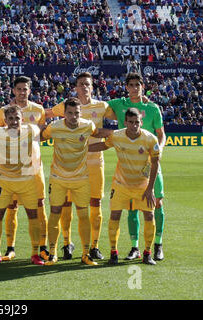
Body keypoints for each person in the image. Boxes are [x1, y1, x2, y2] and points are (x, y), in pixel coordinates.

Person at [45, 72, 111, 260]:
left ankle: (94, 246)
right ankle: (67, 243)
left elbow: (122, 114)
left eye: (87, 84)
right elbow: (46, 113)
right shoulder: (67, 105)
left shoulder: (102, 106)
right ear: (76, 87)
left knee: (95, 203)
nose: (84, 87)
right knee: (66, 204)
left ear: (92, 87)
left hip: (94, 162)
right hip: (69, 166)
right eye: (81, 84)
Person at [106, 73, 166, 261]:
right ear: (127, 87)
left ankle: (157, 243)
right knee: (132, 207)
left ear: (142, 86)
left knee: (157, 203)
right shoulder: (118, 104)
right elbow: (99, 108)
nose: (134, 88)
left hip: (150, 164)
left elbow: (161, 133)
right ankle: (134, 247)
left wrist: (160, 150)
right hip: (131, 167)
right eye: (130, 85)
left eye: (137, 85)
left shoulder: (152, 108)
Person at [0, 76, 49, 262]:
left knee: (39, 206)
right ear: (14, 90)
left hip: (34, 168)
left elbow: (44, 133)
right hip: (9, 172)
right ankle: (9, 248)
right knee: (11, 207)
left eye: (25, 89)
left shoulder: (38, 110)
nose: (22, 92)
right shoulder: (3, 111)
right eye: (19, 89)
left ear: (30, 90)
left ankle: (42, 247)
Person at [89, 108, 160, 265]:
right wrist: (83, 149)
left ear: (141, 122)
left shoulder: (150, 139)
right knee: (115, 216)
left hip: (143, 186)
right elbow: (103, 146)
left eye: (137, 122)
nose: (134, 125)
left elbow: (155, 164)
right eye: (131, 122)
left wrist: (150, 189)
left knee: (149, 216)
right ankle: (114, 252)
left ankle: (147, 253)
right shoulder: (117, 136)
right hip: (120, 184)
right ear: (126, 122)